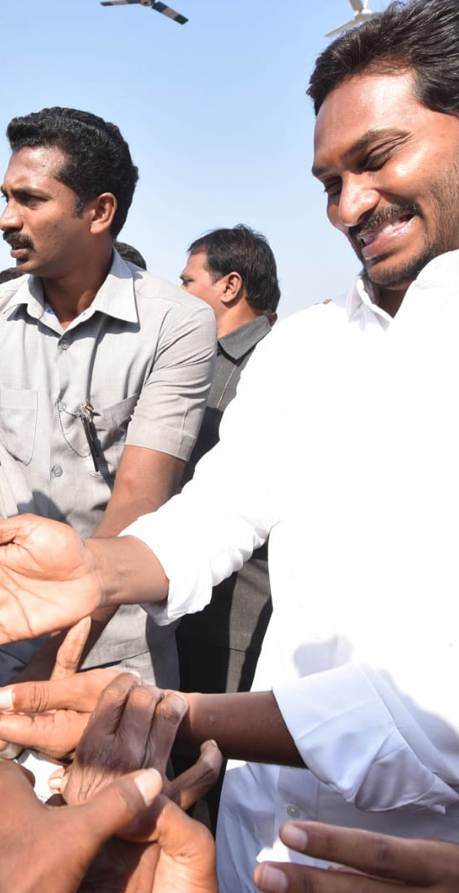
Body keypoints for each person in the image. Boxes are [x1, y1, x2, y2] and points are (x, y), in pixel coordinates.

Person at [0, 1, 459, 893]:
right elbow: (222, 509)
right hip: (257, 851)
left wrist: (181, 716)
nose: (349, 206)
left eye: (377, 160)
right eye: (328, 181)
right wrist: (102, 570)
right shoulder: (310, 346)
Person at [0, 106, 218, 691]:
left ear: (100, 211)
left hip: (113, 645)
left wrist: (59, 653)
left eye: (30, 200)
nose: (4, 220)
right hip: (0, 624)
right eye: (5, 197)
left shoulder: (177, 324)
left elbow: (139, 500)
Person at [175, 225, 280, 701]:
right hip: (183, 598)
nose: (180, 294)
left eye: (188, 283)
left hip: (230, 621)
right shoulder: (199, 357)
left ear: (230, 286)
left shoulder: (273, 364)